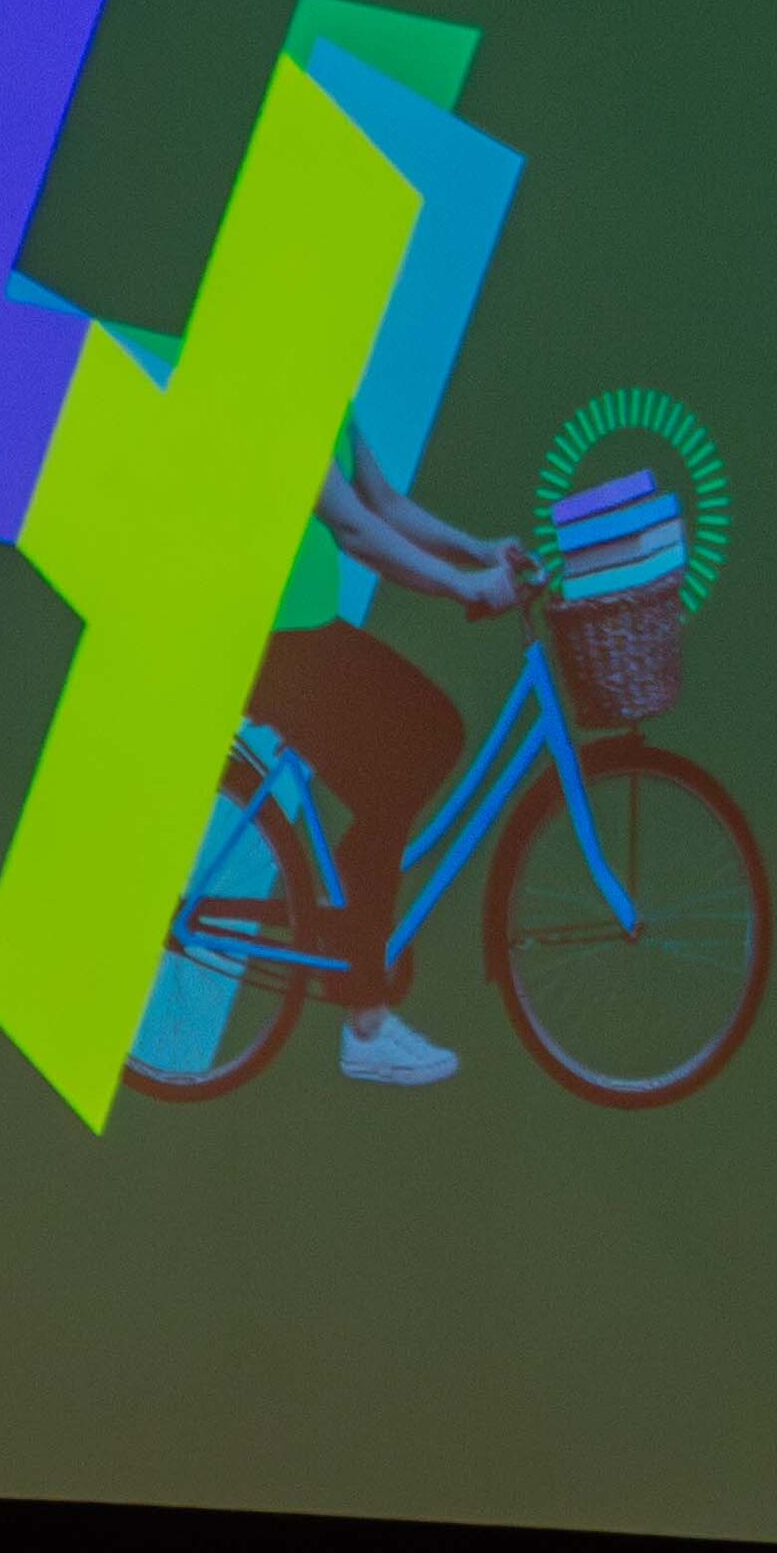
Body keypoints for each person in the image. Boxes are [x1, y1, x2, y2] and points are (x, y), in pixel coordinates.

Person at [275, 442, 537, 1087]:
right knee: (409, 752)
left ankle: (348, 914)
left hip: (297, 626)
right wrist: (464, 585)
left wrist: (478, 551)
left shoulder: (336, 394)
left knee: (429, 737)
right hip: (267, 638)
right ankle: (365, 1021)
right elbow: (356, 529)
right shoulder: (285, 382)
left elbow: (383, 502)